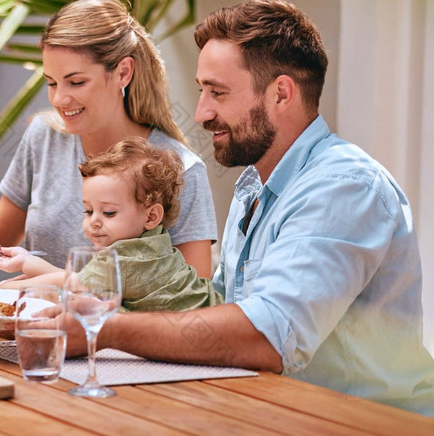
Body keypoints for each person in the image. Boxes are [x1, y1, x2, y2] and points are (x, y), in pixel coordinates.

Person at [61, 0, 434, 416]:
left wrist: (104, 330)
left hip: (367, 423)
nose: (201, 112)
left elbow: (267, 337)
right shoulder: (253, 187)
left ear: (281, 94)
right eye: (202, 90)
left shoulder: (343, 186)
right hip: (275, 412)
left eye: (217, 92)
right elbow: (221, 311)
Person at [0, 0, 217, 292]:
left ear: (123, 73)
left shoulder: (180, 170)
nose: (60, 99)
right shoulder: (44, 138)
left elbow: (189, 299)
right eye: (51, 82)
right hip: (33, 339)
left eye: (76, 81)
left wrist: (60, 289)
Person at [0, 137, 223, 311]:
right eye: (88, 211)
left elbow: (71, 283)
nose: (94, 222)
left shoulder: (134, 257)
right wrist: (27, 262)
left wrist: (3, 291)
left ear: (151, 217)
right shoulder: (148, 243)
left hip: (207, 331)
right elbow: (78, 280)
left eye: (109, 212)